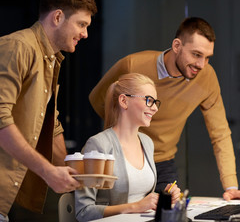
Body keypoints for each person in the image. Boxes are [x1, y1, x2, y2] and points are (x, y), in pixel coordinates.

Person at [0, 0, 97, 221]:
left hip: (6, 190)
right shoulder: (15, 47)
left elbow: (51, 124)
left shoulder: (50, 58)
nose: (85, 34)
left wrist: (78, 176)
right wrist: (48, 171)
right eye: (81, 24)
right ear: (58, 17)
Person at [89, 17, 240, 202]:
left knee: (172, 214)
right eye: (196, 54)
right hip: (124, 159)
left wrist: (231, 186)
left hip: (163, 163)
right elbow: (98, 100)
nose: (202, 64)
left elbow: (220, 133)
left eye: (207, 57)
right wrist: (126, 135)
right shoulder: (133, 65)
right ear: (177, 46)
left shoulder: (207, 77)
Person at [75, 73, 181, 221]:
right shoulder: (98, 145)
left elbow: (144, 200)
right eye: (149, 100)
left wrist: (165, 196)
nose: (155, 108)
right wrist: (135, 206)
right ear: (124, 101)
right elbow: (84, 212)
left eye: (155, 102)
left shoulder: (147, 142)